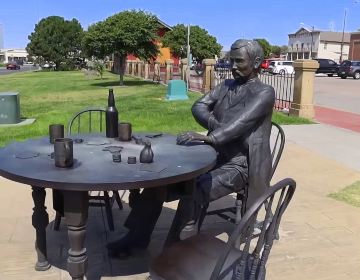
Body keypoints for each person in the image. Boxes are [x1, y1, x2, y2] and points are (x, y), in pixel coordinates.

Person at [107, 39, 275, 258]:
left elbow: (239, 125)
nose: (233, 66)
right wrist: (216, 126)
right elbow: (199, 106)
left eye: (239, 61)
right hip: (213, 157)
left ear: (256, 62)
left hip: (242, 165)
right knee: (159, 183)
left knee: (195, 191)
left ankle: (174, 254)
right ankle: (136, 237)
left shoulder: (264, 92)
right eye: (230, 61)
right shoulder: (226, 86)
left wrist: (211, 136)